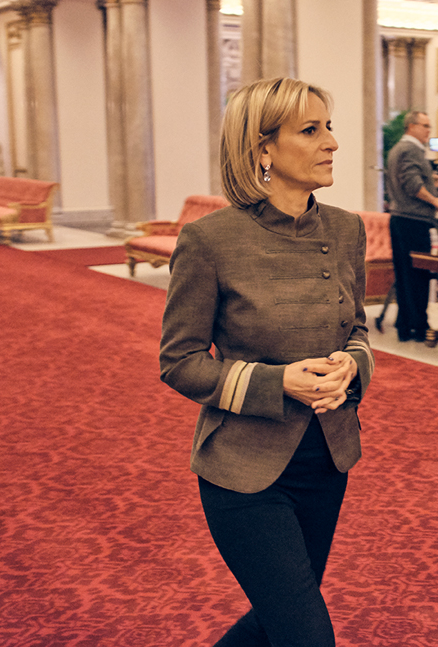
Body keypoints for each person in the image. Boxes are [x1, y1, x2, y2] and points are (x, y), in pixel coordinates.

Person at [159, 77, 374, 647]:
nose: (331, 141)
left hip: (327, 459)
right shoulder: (210, 240)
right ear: (262, 150)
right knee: (305, 633)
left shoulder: (346, 229)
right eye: (310, 130)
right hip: (243, 471)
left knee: (276, 620)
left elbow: (357, 329)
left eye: (329, 126)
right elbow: (179, 361)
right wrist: (280, 383)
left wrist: (352, 369)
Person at [387, 110, 438, 342]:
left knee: (405, 276)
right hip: (414, 221)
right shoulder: (411, 149)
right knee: (419, 275)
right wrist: (435, 200)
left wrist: (431, 182)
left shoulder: (397, 149)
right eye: (425, 126)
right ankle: (419, 328)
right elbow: (412, 184)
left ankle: (405, 326)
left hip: (400, 219)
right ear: (411, 126)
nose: (429, 131)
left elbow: (407, 179)